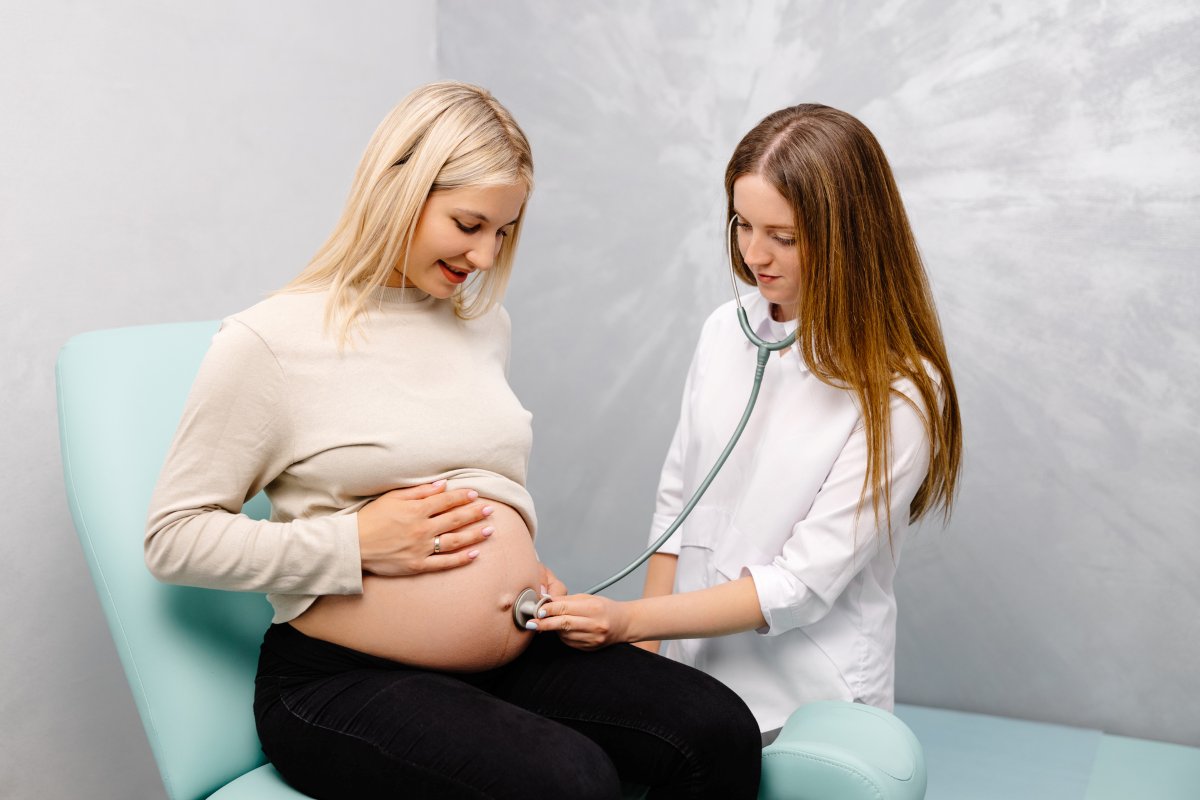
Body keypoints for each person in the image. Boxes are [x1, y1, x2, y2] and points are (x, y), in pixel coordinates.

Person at [144, 81, 761, 799]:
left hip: (514, 654)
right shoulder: (270, 342)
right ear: (398, 188)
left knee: (716, 730)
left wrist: (523, 571)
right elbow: (173, 538)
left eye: (503, 232)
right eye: (468, 223)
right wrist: (356, 544)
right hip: (342, 679)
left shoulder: (482, 325)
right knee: (569, 782)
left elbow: (479, 478)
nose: (484, 256)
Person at [531, 103, 963, 743]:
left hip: (806, 703)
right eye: (742, 224)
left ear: (850, 235)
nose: (755, 255)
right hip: (696, 680)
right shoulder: (723, 331)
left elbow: (799, 584)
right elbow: (677, 503)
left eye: (783, 236)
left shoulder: (900, 392)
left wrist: (626, 621)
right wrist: (645, 661)